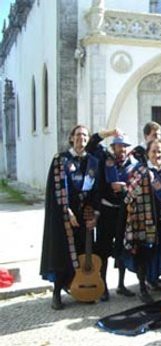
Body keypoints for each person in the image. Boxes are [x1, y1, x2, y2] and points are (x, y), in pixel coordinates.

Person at [41, 125, 100, 310]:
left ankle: (80, 289)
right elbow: (56, 188)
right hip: (63, 214)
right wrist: (67, 211)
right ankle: (57, 293)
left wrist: (95, 214)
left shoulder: (93, 161)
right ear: (71, 138)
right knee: (63, 254)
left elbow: (96, 191)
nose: (81, 138)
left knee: (84, 253)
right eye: (78, 135)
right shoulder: (61, 159)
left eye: (84, 135)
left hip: (85, 214)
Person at [122, 139, 161, 303]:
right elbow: (128, 194)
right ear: (147, 153)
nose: (157, 155)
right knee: (144, 252)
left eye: (159, 151)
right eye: (153, 151)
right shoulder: (141, 170)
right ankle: (143, 288)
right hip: (146, 218)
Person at [85, 129, 137, 301]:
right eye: (118, 146)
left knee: (122, 247)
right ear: (113, 147)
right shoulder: (104, 158)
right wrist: (108, 133)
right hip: (106, 211)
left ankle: (121, 285)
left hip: (123, 211)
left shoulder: (134, 164)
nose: (121, 150)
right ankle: (104, 285)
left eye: (124, 147)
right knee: (103, 249)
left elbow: (138, 187)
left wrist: (124, 187)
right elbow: (91, 144)